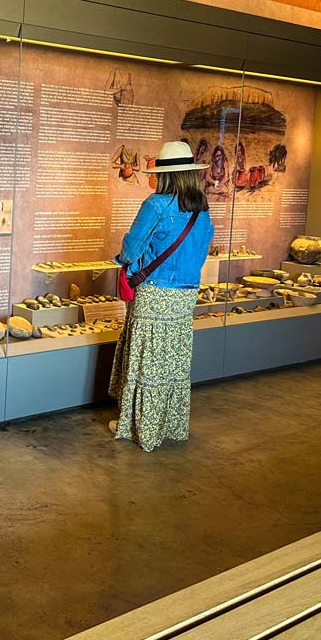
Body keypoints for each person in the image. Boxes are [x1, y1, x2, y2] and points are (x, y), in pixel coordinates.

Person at [109, 140, 214, 451]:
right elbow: (201, 249)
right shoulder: (201, 208)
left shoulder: (156, 204)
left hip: (155, 292)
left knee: (147, 361)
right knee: (173, 361)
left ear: (166, 175)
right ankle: (169, 424)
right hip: (185, 294)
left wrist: (125, 262)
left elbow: (131, 248)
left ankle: (140, 427)